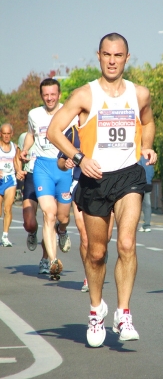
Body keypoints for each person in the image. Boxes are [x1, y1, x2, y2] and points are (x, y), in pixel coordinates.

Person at [47, 32, 157, 347]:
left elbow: (147, 123)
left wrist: (147, 147)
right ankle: (97, 310)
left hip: (128, 176)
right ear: (99, 56)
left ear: (126, 58)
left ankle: (124, 313)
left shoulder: (139, 94)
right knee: (96, 253)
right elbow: (55, 131)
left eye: (118, 55)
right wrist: (79, 158)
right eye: (106, 55)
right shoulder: (85, 95)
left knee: (126, 243)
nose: (112, 60)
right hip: (95, 180)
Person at [20, 78, 73, 280]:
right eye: (46, 95)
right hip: (42, 167)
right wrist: (25, 149)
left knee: (63, 218)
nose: (49, 98)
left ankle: (63, 230)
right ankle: (53, 262)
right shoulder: (34, 114)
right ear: (42, 95)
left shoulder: (69, 114)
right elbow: (31, 135)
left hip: (64, 167)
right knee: (48, 215)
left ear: (59, 95)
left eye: (53, 94)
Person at [57, 124, 115, 292]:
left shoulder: (106, 124)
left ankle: (100, 254)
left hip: (107, 184)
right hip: (80, 185)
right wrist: (65, 163)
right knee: (85, 236)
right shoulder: (74, 131)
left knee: (106, 236)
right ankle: (89, 276)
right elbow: (60, 161)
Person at [14, 132, 49, 274]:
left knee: (49, 220)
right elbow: (17, 157)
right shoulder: (24, 137)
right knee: (29, 223)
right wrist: (18, 170)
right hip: (31, 178)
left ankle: (46, 260)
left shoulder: (56, 132)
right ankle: (32, 231)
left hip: (49, 177)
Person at [0, 123, 17, 247]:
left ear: (12, 134)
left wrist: (20, 171)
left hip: (10, 179)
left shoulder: (15, 147)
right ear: (1, 134)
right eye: (4, 134)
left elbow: (17, 163)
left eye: (8, 134)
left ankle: (5, 236)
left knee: (8, 208)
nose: (6, 136)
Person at [138, 155, 154, 232]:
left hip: (139, 184)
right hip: (148, 183)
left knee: (135, 205)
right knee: (147, 204)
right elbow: (151, 171)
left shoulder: (137, 157)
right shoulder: (148, 157)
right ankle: (147, 225)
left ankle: (133, 224)